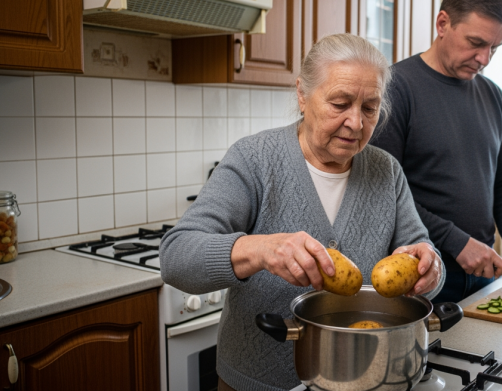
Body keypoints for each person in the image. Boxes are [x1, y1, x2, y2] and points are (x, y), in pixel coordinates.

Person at [160, 33, 445, 391]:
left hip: (362, 380)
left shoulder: (386, 171)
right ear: (302, 95)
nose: (356, 123)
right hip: (257, 382)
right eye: (340, 103)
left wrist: (430, 265)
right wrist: (260, 249)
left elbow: (422, 254)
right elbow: (176, 257)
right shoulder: (253, 160)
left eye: (369, 108)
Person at [370, 0, 502, 304]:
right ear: (443, 23)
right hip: (421, 275)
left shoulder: (493, 95)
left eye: (494, 48)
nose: (484, 59)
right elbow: (382, 192)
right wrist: (455, 242)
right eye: (476, 43)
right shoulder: (395, 88)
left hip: (483, 273)